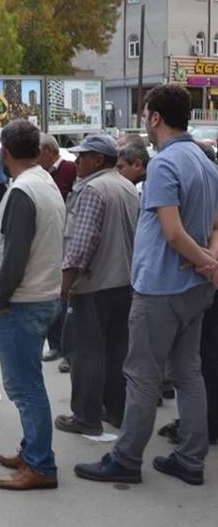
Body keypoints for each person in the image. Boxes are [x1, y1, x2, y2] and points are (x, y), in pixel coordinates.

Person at [75, 84, 218, 487]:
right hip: (195, 288)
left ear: (155, 117)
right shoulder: (205, 162)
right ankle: (191, 459)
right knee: (189, 373)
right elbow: (214, 226)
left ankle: (126, 458)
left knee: (141, 375)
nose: (144, 121)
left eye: (145, 114)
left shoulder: (165, 164)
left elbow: (172, 232)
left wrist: (205, 260)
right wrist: (209, 262)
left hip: (161, 288)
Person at [0, 120, 66, 490]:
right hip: (40, 296)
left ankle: (40, 466)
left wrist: (0, 298)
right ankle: (32, 451)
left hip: (23, 301)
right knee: (29, 383)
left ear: (5, 152)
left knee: (25, 388)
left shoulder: (25, 191)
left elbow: (15, 255)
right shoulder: (43, 182)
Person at [53, 134, 139, 436]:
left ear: (98, 159)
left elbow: (82, 242)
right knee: (116, 351)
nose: (77, 162)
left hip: (94, 283)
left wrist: (66, 283)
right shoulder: (127, 186)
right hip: (124, 282)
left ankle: (86, 416)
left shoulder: (93, 189)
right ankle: (115, 409)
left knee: (85, 353)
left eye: (83, 156)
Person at [37, 135, 78, 364]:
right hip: (51, 239)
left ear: (50, 152)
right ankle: (55, 345)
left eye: (39, 153)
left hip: (67, 237)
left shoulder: (69, 168)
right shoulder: (42, 174)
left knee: (65, 298)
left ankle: (67, 349)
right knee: (54, 295)